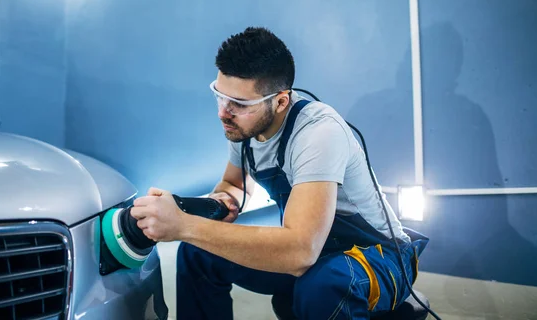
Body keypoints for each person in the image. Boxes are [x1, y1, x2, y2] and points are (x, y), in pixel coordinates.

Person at [131, 27, 429, 320]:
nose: (223, 112)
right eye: (220, 97)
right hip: (319, 252)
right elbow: (234, 183)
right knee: (198, 254)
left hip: (379, 256)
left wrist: (183, 225)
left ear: (281, 101)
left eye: (239, 104)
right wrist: (223, 200)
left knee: (323, 285)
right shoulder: (244, 128)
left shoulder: (319, 133)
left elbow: (300, 253)